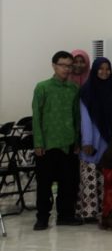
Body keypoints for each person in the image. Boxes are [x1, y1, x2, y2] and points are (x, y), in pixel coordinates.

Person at [32, 51, 82, 230]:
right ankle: (42, 218)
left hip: (68, 143)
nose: (66, 69)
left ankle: (65, 215)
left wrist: (77, 141)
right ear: (54, 65)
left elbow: (77, 117)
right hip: (47, 144)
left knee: (68, 182)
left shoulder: (74, 88)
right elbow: (36, 117)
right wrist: (38, 142)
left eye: (69, 66)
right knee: (44, 184)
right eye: (62, 65)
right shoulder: (42, 87)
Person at [77, 57, 112, 222]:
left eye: (108, 69)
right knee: (89, 177)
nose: (104, 72)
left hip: (107, 142)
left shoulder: (111, 89)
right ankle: (88, 212)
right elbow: (85, 118)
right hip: (91, 142)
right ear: (94, 70)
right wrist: (86, 141)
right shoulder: (87, 91)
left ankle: (104, 209)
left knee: (104, 178)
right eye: (101, 68)